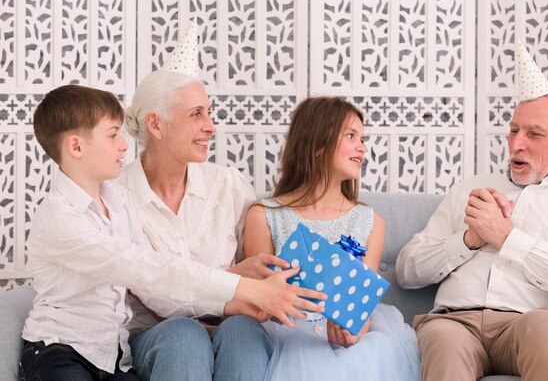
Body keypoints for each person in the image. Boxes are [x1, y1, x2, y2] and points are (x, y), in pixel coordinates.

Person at [19, 84, 326, 381]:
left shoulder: (117, 201)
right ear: (76, 146)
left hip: (111, 357)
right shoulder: (61, 220)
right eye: (113, 135)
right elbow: (148, 268)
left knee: (232, 332)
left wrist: (231, 304)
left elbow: (156, 290)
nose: (125, 144)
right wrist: (247, 289)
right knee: (182, 336)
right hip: (61, 350)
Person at [395, 43, 548, 381]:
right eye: (515, 129)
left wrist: (506, 238)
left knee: (546, 324)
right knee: (442, 338)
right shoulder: (468, 188)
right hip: (455, 322)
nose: (516, 144)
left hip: (528, 322)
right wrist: (470, 239)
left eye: (534, 134)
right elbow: (406, 271)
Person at [119, 21, 294, 381]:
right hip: (158, 337)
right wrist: (233, 279)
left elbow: (267, 262)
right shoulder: (119, 196)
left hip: (232, 327)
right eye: (196, 114)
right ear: (156, 124)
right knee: (184, 334)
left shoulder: (227, 185)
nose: (211, 126)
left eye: (209, 113)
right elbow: (160, 296)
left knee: (245, 332)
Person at [244, 96, 422, 381]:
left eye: (362, 138)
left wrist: (353, 331)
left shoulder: (370, 222)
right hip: (284, 331)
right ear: (317, 145)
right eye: (351, 136)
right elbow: (257, 300)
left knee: (360, 357)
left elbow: (362, 304)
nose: (361, 147)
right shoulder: (264, 215)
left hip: (350, 337)